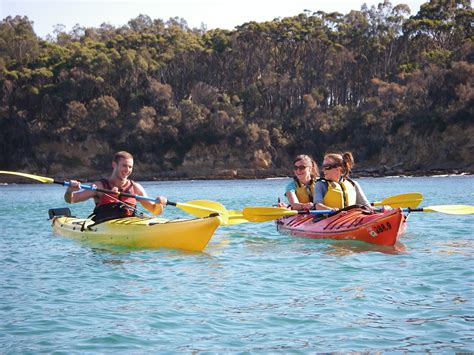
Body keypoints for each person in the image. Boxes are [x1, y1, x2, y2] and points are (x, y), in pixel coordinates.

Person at [64, 151, 167, 222]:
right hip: (105, 225)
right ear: (114, 165)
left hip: (130, 225)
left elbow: (155, 211)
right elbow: (71, 200)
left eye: (130, 167)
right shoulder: (99, 186)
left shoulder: (135, 188)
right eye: (124, 165)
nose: (127, 170)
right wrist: (70, 191)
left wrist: (159, 204)